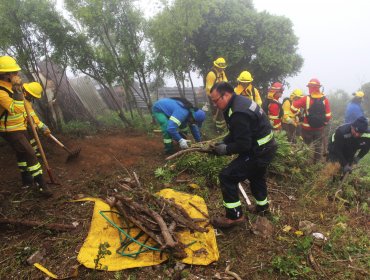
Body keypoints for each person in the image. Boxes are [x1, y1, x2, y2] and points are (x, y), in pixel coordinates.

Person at [209, 82, 277, 228]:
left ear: (225, 95)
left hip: (258, 151)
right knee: (256, 176)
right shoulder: (239, 102)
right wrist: (223, 142)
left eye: (216, 100)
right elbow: (237, 133)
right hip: (266, 147)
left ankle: (234, 217)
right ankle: (262, 208)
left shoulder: (238, 112)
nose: (214, 104)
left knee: (227, 176)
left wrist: (225, 149)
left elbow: (243, 145)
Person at [0, 56, 50, 196]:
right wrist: (17, 91)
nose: (17, 75)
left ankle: (27, 181)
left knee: (22, 154)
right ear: (5, 75)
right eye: (13, 72)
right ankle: (42, 186)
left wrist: (40, 125)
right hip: (10, 130)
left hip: (20, 127)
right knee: (30, 154)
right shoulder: (1, 91)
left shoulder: (13, 87)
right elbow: (16, 109)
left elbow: (28, 109)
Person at [291, 78, 331, 163]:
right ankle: (316, 163)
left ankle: (303, 162)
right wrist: (324, 123)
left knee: (305, 146)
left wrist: (298, 111)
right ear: (318, 88)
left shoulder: (306, 99)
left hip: (306, 128)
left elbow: (293, 107)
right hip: (319, 129)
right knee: (318, 147)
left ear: (310, 88)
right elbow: (328, 115)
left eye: (309, 87)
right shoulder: (325, 100)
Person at [23, 82, 51, 157]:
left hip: (25, 122)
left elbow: (32, 115)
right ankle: (30, 153)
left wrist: (42, 126)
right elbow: (28, 116)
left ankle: (34, 151)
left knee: (32, 134)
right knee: (27, 136)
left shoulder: (27, 100)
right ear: (28, 92)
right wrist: (38, 125)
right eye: (33, 96)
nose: (33, 98)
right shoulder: (20, 99)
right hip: (16, 124)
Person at [205, 57, 228, 132]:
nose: (222, 69)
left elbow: (225, 82)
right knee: (217, 113)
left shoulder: (222, 73)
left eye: (222, 68)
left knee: (223, 111)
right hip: (213, 96)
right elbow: (209, 89)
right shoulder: (211, 74)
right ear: (216, 66)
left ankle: (223, 127)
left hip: (221, 95)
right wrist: (215, 99)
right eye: (220, 67)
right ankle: (219, 129)